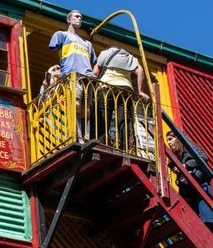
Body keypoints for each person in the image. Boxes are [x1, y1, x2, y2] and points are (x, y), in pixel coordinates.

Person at [49, 10, 97, 138]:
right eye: (76, 16)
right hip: (72, 75)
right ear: (69, 20)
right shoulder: (61, 35)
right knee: (75, 105)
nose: (79, 19)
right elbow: (53, 47)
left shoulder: (88, 44)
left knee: (87, 108)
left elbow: (94, 63)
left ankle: (86, 136)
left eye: (81, 17)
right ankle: (78, 135)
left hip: (87, 78)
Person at [92, 46, 150, 150]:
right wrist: (140, 91)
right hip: (125, 90)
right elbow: (140, 70)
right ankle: (124, 148)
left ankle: (101, 145)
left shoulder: (105, 53)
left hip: (106, 88)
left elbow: (96, 72)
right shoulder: (130, 57)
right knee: (123, 120)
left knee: (103, 118)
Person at [166, 131, 213, 238]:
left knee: (208, 220)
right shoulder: (177, 156)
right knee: (189, 222)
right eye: (167, 141)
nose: (169, 143)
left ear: (178, 138)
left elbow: (203, 157)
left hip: (201, 186)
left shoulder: (188, 145)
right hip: (188, 190)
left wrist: (186, 165)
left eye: (171, 139)